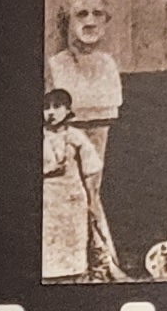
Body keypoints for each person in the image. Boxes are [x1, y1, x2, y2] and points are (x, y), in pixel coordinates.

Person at [50, 0, 126, 192]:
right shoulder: (55, 66)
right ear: (67, 21)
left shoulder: (108, 65)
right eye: (82, 14)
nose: (91, 21)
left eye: (98, 14)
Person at [41, 87, 118, 281]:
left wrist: (91, 199)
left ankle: (76, 274)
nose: (51, 112)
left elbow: (90, 169)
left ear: (67, 110)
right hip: (48, 200)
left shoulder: (75, 137)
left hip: (72, 199)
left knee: (72, 242)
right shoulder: (42, 137)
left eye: (57, 107)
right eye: (46, 107)